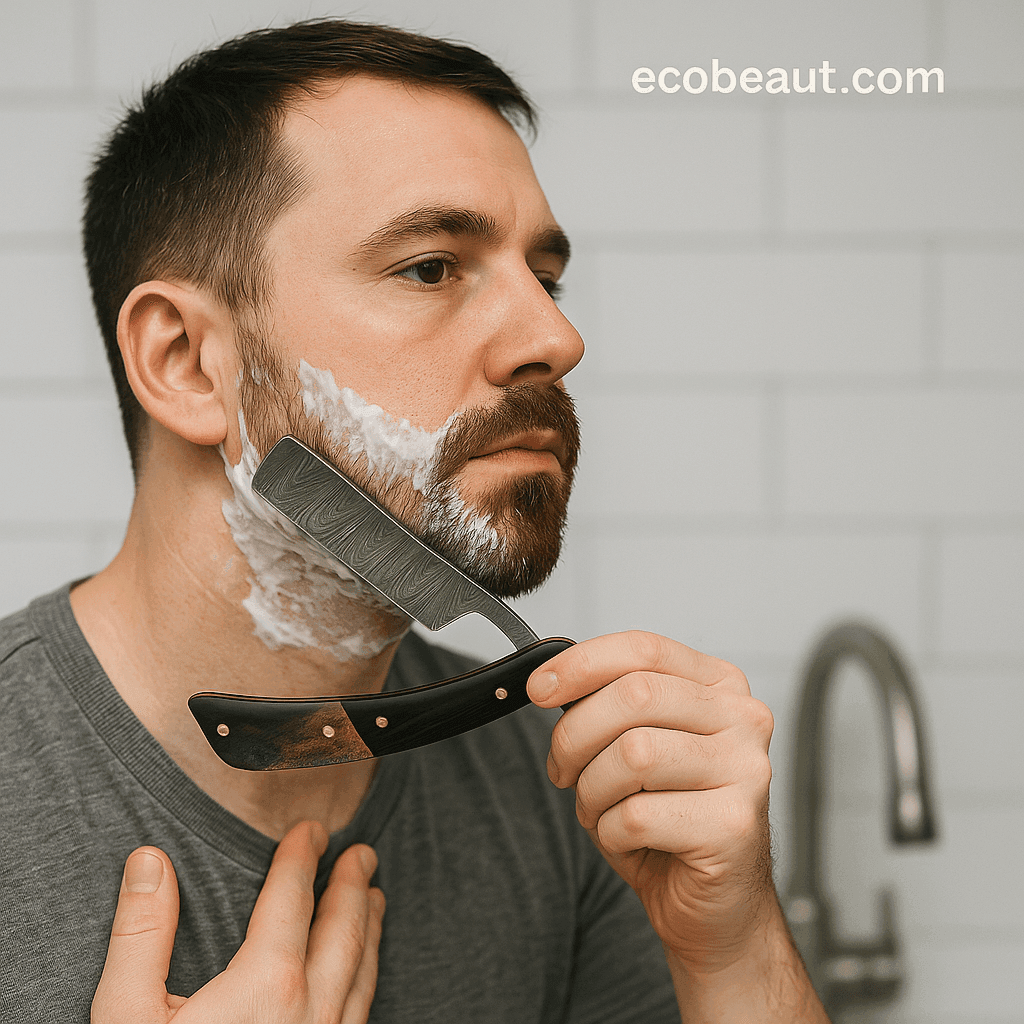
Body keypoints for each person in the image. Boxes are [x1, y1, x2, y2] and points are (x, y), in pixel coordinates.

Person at [0, 19, 829, 1023]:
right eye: (432, 267)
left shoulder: (575, 782)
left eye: (546, 276)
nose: (556, 337)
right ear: (184, 360)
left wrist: (732, 952)